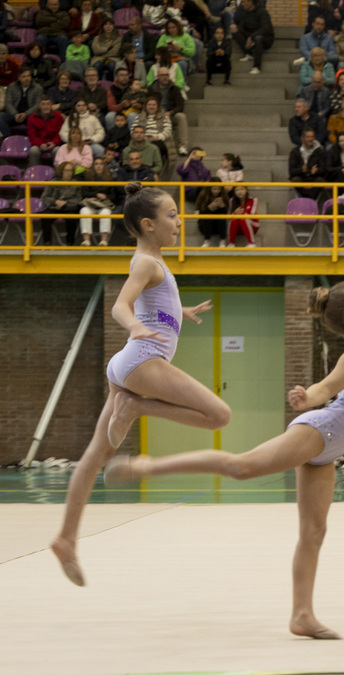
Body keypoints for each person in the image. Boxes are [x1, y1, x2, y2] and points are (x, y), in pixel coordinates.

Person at [105, 281, 344, 639]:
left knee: (314, 531)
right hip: (322, 430)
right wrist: (309, 397)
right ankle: (149, 466)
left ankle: (302, 615)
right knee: (242, 467)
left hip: (333, 447)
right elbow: (329, 387)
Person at [50, 183, 231, 587]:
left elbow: (154, 304)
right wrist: (134, 326)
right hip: (142, 361)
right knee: (219, 415)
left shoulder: (155, 263)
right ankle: (137, 407)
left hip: (130, 366)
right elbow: (121, 304)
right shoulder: (146, 263)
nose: (179, 222)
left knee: (97, 454)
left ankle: (65, 538)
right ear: (147, 224)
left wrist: (179, 311)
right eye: (172, 216)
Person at [232, 0, 275, 75]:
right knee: (236, 32)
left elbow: (266, 28)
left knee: (258, 38)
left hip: (265, 38)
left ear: (250, 2)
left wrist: (252, 37)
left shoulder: (262, 12)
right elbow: (242, 27)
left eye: (243, 2)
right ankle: (249, 54)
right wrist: (235, 28)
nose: (242, 4)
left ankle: (257, 67)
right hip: (251, 38)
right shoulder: (245, 13)